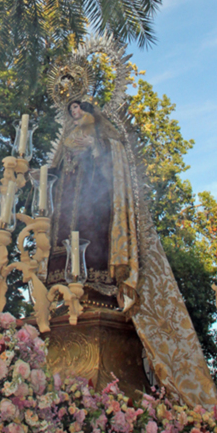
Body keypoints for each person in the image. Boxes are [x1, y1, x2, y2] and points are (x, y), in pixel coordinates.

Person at [47, 99, 138, 309]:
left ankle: (95, 286)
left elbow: (116, 154)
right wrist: (46, 176)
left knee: (91, 230)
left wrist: (95, 146)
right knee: (66, 235)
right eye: (70, 109)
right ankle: (61, 284)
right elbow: (60, 167)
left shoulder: (101, 134)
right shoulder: (68, 138)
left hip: (95, 195)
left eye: (76, 107)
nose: (74, 112)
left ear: (86, 109)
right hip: (68, 200)